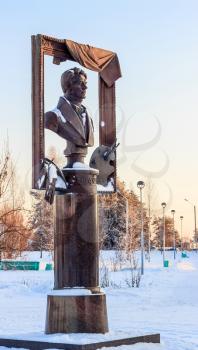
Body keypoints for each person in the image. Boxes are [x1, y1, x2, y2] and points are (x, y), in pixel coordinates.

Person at [45, 67, 94, 166]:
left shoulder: (88, 116)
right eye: (80, 83)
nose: (85, 87)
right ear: (69, 86)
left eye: (85, 83)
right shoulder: (53, 117)